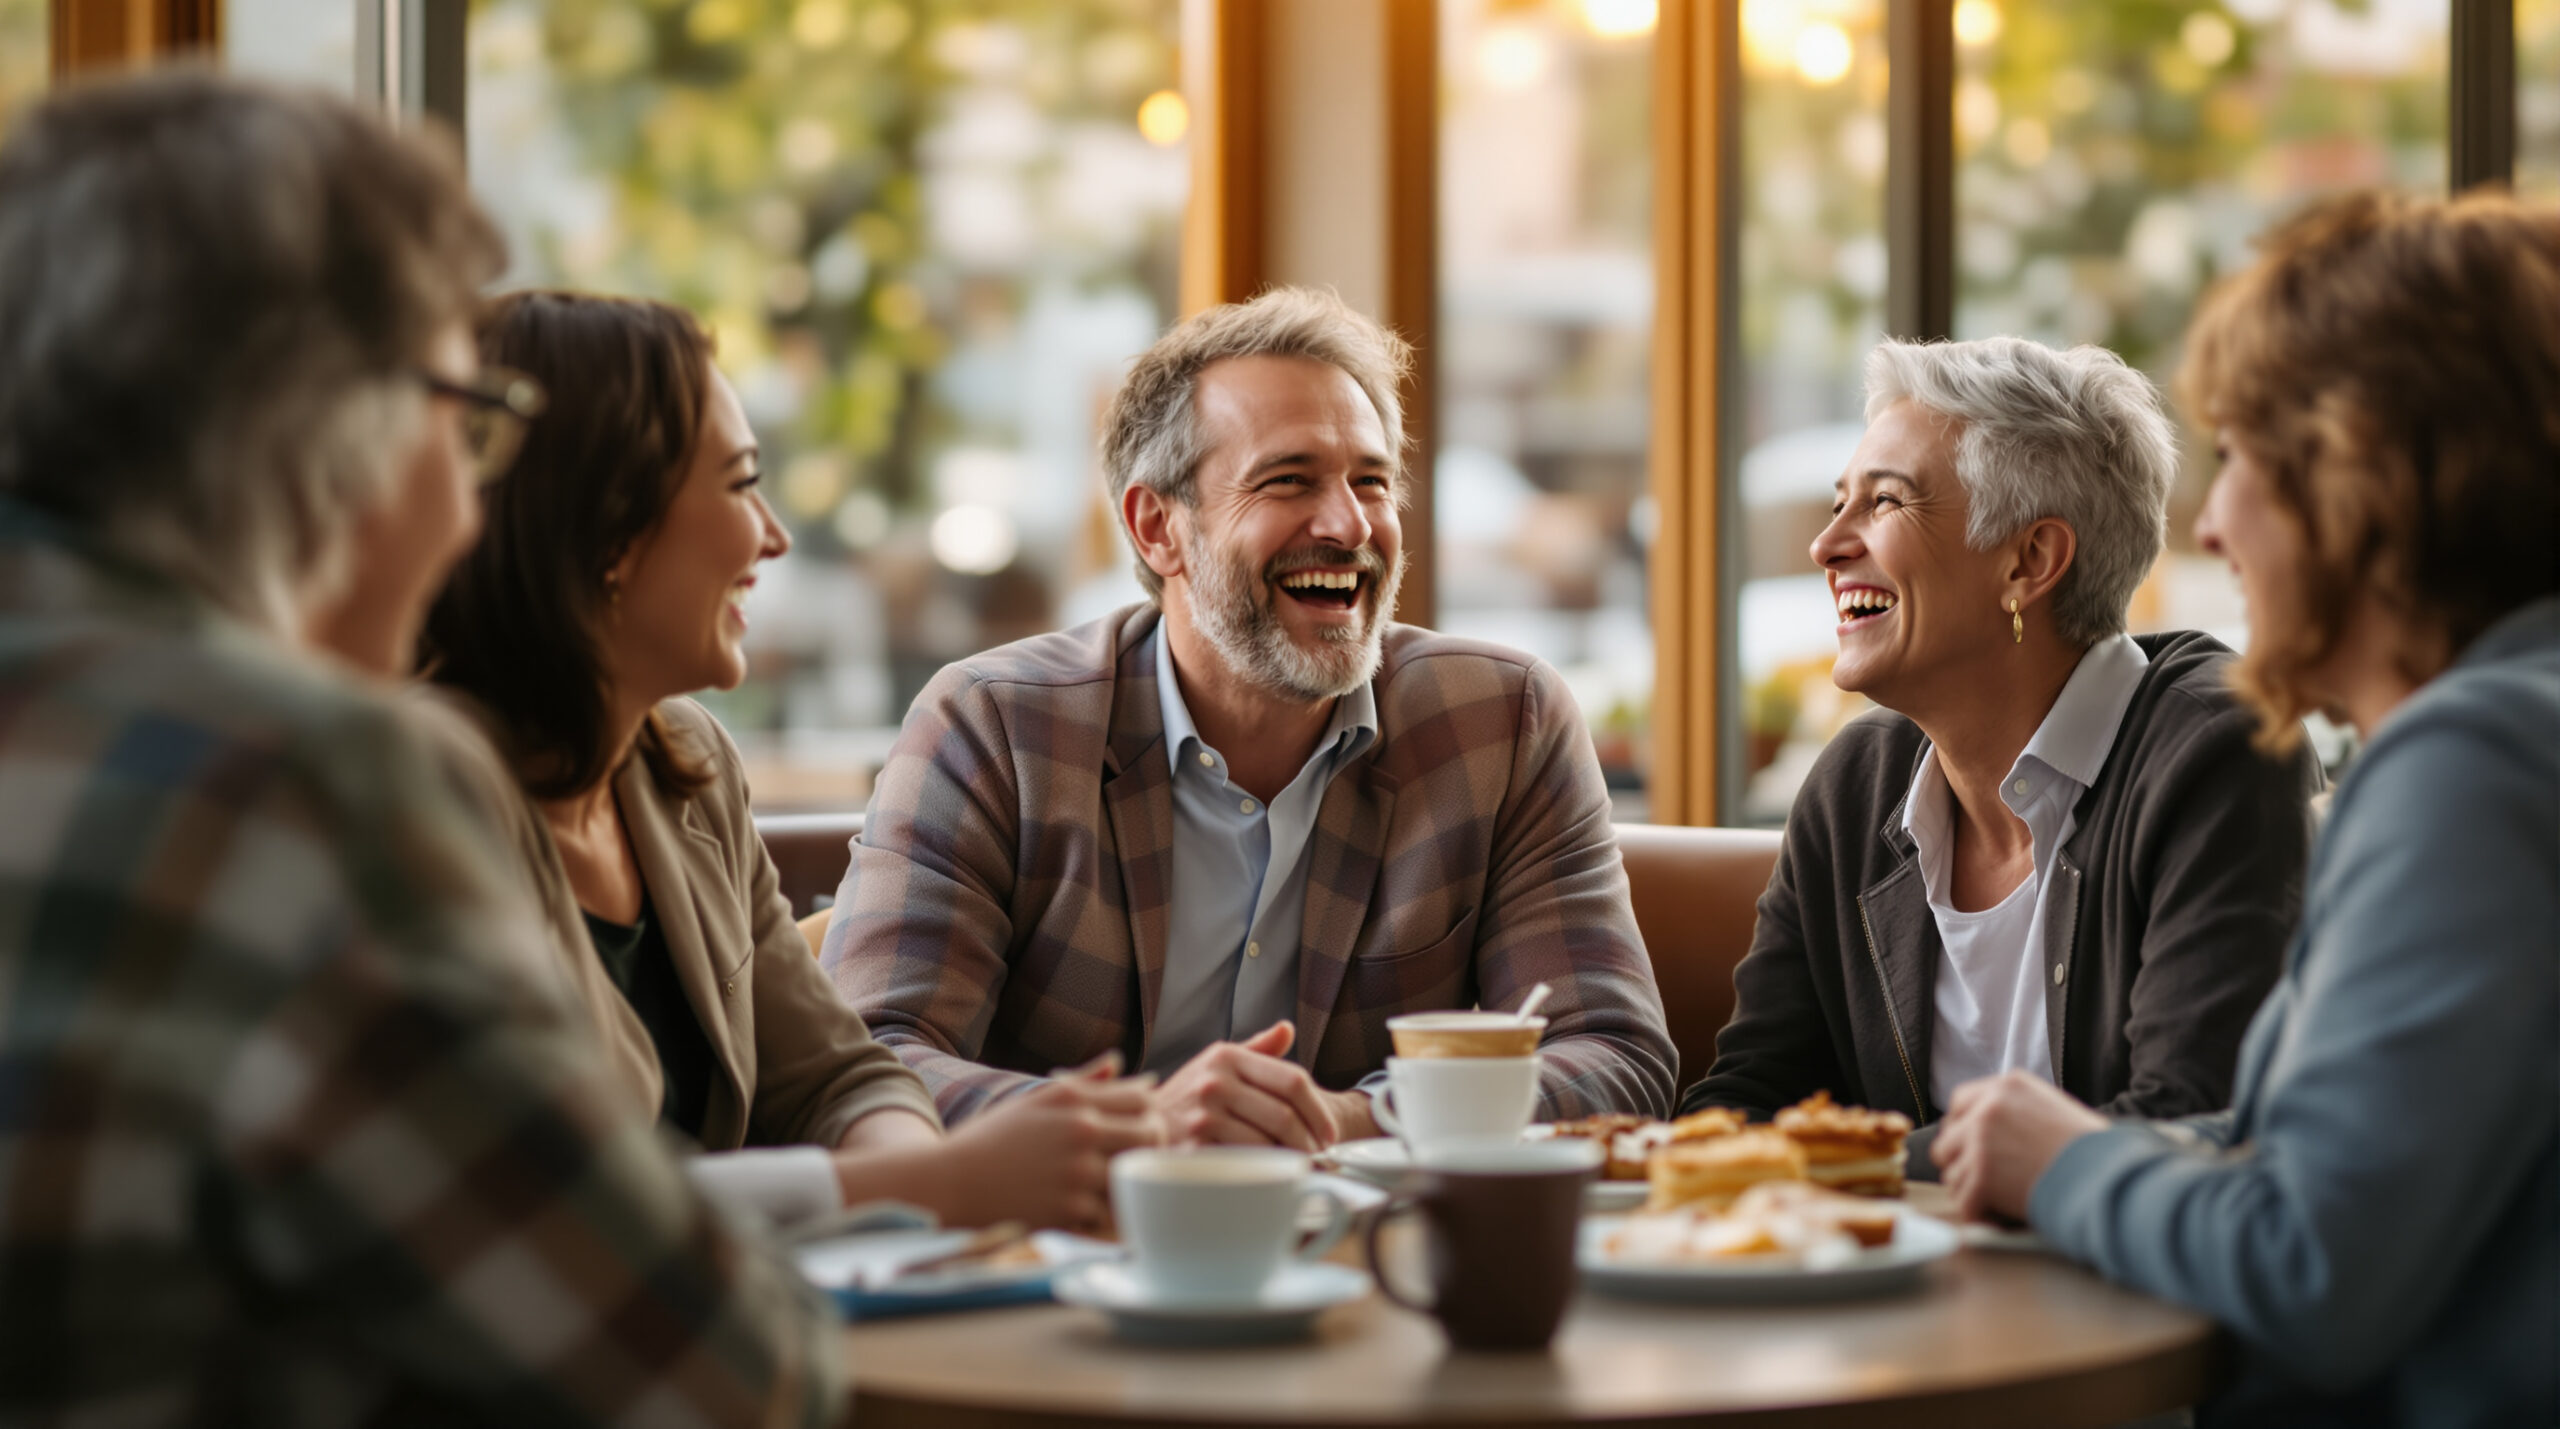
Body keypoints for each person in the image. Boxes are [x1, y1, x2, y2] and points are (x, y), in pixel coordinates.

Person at [0, 74, 842, 1423]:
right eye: (467, 425)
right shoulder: (302, 783)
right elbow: (723, 1379)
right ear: (325, 424)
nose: (472, 509)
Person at [1932, 191, 2558, 1427]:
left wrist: (2065, 1162)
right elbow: (2337, 1156)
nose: (2209, 524)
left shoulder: (2469, 767)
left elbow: (2311, 1263)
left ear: (2357, 474)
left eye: (2236, 457)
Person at [825, 286, 1677, 1142]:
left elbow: (1616, 1056)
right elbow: (870, 1061)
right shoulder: (992, 728)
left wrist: (1355, 1116)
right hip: (1071, 1246)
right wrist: (1141, 1125)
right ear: (1158, 528)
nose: (1349, 524)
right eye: (1289, 480)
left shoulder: (1503, 724)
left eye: (1371, 482)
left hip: (1383, 1255)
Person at [420, 291, 1155, 1232]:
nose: (774, 534)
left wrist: (928, 1207)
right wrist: (937, 1186)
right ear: (608, 524)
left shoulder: (682, 761)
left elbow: (836, 1078)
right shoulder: (422, 788)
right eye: (738, 483)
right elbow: (540, 1198)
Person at [1682, 335, 2320, 1170]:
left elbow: (2191, 1116)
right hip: (1895, 1291)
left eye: (1885, 502)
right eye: (1841, 501)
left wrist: (1856, 1163)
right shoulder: (1855, 787)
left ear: (2029, 561)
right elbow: (1746, 1102)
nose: (1827, 544)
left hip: (2127, 1295)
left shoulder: (2216, 749)